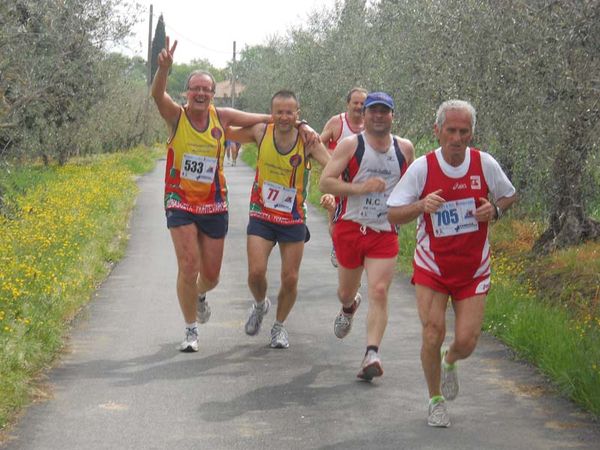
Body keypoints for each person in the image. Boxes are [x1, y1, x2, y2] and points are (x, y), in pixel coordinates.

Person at [386, 100, 517, 428]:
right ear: (438, 131)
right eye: (451, 131)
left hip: (472, 267)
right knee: (432, 332)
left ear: (471, 133)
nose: (457, 138)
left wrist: (495, 211)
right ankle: (435, 400)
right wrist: (420, 205)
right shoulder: (423, 168)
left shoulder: (484, 163)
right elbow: (393, 213)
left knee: (467, 340)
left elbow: (509, 194)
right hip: (433, 265)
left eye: (464, 131)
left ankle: (451, 359)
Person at [151, 37, 271, 353]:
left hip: (214, 204)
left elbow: (264, 119)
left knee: (211, 276)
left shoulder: (222, 117)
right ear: (187, 93)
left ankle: (200, 295)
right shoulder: (176, 116)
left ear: (213, 95)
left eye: (207, 89)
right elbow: (156, 95)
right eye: (196, 89)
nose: (201, 93)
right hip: (179, 200)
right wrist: (163, 69)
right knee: (188, 266)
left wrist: (295, 122)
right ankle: (191, 330)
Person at [319, 92, 415, 380]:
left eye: (384, 111)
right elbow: (326, 181)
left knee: (380, 290)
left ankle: (371, 353)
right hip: (350, 226)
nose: (377, 116)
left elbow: (414, 184)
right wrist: (360, 189)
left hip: (384, 231)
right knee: (346, 292)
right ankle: (349, 307)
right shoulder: (351, 144)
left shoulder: (405, 148)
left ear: (392, 116)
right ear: (365, 114)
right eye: (373, 110)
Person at [226, 90, 331, 349]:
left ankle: (279, 326)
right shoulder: (261, 132)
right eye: (279, 112)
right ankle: (261, 304)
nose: (284, 117)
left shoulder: (308, 141)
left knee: (290, 278)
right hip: (261, 214)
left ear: (298, 114)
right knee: (255, 273)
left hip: (293, 218)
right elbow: (226, 129)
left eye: (290, 112)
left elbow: (331, 166)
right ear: (271, 113)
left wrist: (330, 192)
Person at [319, 88, 368, 267]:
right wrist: (329, 160)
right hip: (337, 181)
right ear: (348, 104)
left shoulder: (371, 126)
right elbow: (318, 142)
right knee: (336, 220)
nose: (358, 106)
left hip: (360, 184)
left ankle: (355, 259)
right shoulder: (337, 122)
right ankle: (337, 245)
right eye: (355, 102)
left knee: (357, 226)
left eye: (362, 103)